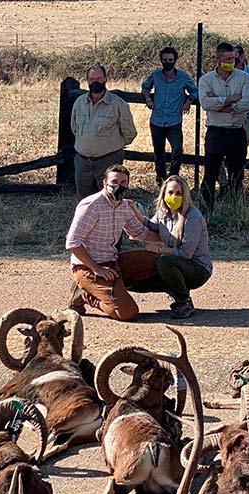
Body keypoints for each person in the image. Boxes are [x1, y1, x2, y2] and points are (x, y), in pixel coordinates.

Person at [65, 164, 162, 321]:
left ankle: (115, 289)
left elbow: (140, 233)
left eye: (123, 182)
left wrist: (172, 240)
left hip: (112, 261)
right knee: (128, 312)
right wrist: (96, 268)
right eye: (114, 181)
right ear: (105, 183)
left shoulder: (125, 206)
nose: (118, 186)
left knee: (161, 261)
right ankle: (85, 295)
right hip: (88, 267)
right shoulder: (91, 206)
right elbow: (72, 243)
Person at [127, 175, 212, 319]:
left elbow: (185, 254)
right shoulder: (163, 212)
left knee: (164, 261)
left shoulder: (193, 216)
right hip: (177, 263)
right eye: (171, 193)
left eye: (179, 193)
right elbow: (151, 226)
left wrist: (158, 250)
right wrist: (134, 211)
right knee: (145, 270)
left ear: (185, 196)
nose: (174, 196)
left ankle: (183, 301)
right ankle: (173, 290)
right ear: (164, 194)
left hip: (198, 268)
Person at [197, 42, 249, 212]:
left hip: (237, 132)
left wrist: (221, 103)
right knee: (210, 175)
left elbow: (248, 102)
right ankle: (205, 211)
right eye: (228, 59)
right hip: (216, 132)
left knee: (237, 175)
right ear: (218, 60)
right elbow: (206, 103)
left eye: (233, 58)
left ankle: (236, 211)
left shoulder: (244, 78)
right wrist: (232, 99)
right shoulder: (206, 80)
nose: (232, 61)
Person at [71, 65, 137, 199]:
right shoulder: (79, 103)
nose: (95, 82)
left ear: (106, 79)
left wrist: (112, 146)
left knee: (111, 200)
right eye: (92, 79)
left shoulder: (118, 104)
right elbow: (74, 128)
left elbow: (129, 132)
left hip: (108, 161)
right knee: (84, 203)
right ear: (87, 81)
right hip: (82, 163)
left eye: (99, 78)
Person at [142, 47, 198, 186]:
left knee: (177, 150)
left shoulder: (183, 77)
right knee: (158, 152)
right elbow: (145, 87)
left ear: (175, 60)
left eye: (170, 60)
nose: (168, 62)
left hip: (174, 121)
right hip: (157, 120)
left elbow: (195, 91)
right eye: (165, 60)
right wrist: (148, 99)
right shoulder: (155, 75)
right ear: (161, 60)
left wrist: (188, 101)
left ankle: (173, 179)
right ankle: (161, 180)